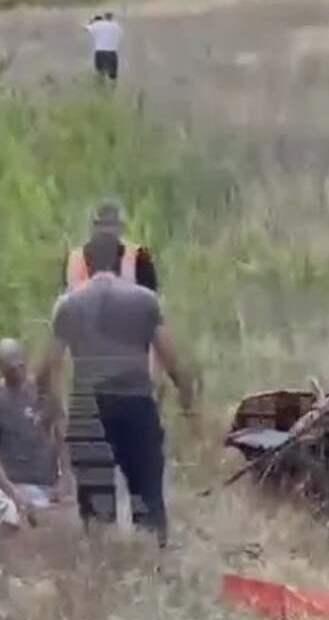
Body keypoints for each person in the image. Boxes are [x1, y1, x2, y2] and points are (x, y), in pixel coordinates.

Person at [37, 250, 196, 547]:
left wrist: (56, 412)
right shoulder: (145, 300)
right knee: (148, 495)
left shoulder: (68, 304)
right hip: (135, 405)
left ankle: (103, 572)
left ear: (87, 264)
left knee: (96, 508)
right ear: (120, 264)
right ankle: (152, 564)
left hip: (89, 409)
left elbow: (47, 368)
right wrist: (188, 402)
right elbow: (173, 362)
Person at [0, 339, 70, 510]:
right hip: (16, 484)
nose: (17, 372)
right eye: (11, 369)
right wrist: (12, 491)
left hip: (48, 483)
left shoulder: (42, 392)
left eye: (20, 366)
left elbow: (63, 438)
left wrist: (65, 478)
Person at [64, 202, 158, 292]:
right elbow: (65, 302)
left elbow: (151, 300)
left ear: (121, 228)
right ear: (92, 229)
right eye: (101, 225)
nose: (106, 230)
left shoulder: (140, 255)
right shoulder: (74, 258)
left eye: (110, 224)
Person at [85, 11, 123, 83]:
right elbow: (120, 35)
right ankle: (112, 89)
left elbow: (85, 29)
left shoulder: (97, 25)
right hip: (112, 52)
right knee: (113, 76)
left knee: (100, 74)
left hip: (100, 52)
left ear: (104, 17)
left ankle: (101, 90)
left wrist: (91, 21)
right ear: (111, 17)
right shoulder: (116, 26)